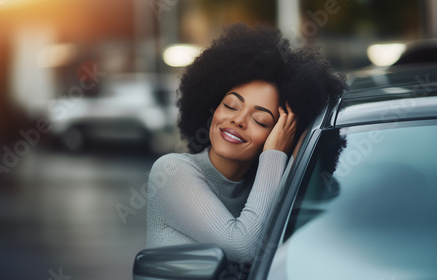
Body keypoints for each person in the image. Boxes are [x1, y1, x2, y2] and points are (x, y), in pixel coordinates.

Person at [146, 23, 348, 266]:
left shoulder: (265, 185)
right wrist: (274, 154)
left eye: (260, 120)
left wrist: (294, 156)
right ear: (211, 105)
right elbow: (244, 248)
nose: (238, 120)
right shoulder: (172, 171)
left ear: (281, 135)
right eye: (231, 105)